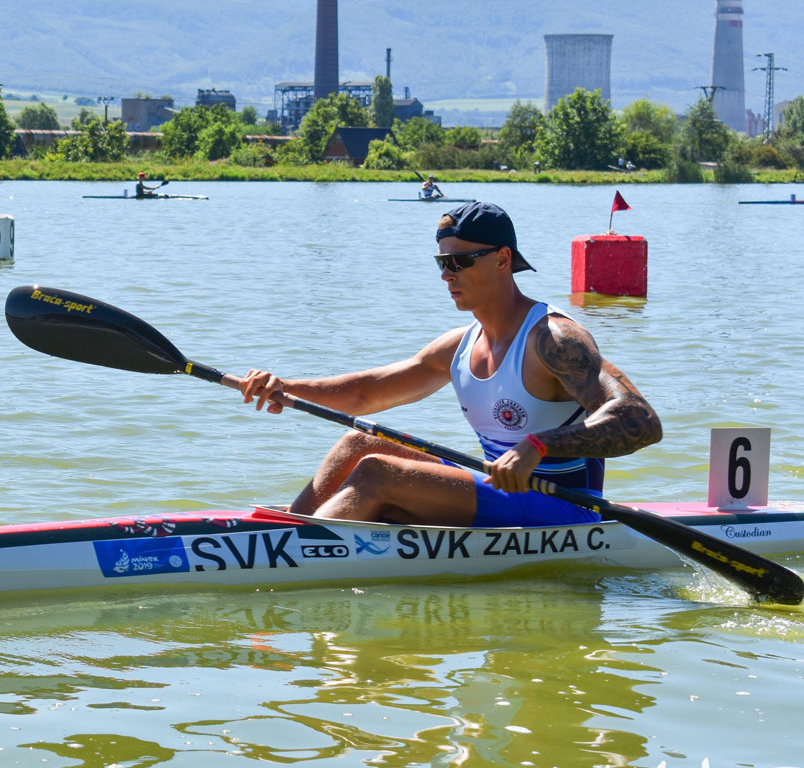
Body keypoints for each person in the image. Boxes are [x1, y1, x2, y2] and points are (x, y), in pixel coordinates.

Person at [237, 201, 662, 527]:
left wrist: (539, 445)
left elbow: (640, 419)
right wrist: (286, 388)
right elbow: (366, 393)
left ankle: (293, 552)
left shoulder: (553, 340)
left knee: (377, 473)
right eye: (442, 262)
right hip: (500, 492)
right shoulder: (459, 346)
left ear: (502, 259)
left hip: (566, 507)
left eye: (459, 261)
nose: (447, 275)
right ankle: (285, 537)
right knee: (357, 444)